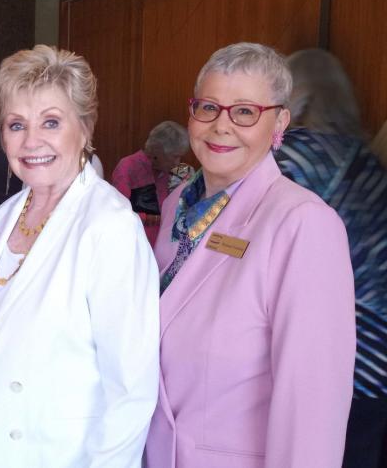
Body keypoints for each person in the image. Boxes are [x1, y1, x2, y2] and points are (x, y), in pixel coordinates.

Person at [144, 43, 355, 468]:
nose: (221, 126)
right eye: (208, 107)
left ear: (279, 122)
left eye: (244, 112)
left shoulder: (303, 223)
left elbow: (312, 400)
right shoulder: (178, 205)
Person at [0, 45, 159, 467]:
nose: (32, 142)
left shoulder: (110, 227)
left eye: (51, 122)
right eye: (16, 125)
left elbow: (131, 390)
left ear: (84, 129)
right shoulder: (2, 219)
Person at [275, 48, 387, 468]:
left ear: (295, 98)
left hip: (334, 360)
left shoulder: (297, 157)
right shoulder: (367, 160)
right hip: (378, 362)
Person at [111, 121, 191, 245]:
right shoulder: (128, 167)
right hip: (134, 244)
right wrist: (155, 219)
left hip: (161, 246)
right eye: (175, 156)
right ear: (158, 152)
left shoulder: (168, 173)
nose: (177, 162)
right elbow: (118, 213)